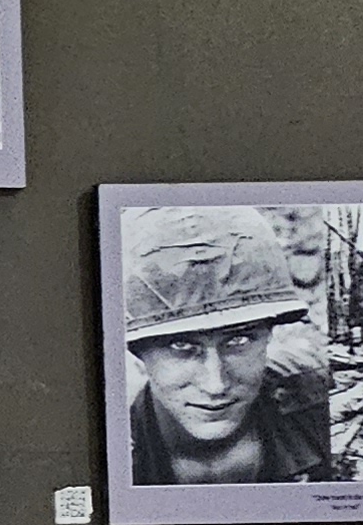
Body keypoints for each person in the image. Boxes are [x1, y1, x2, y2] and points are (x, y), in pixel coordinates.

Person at [124, 207, 338, 486]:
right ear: (137, 351)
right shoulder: (108, 443)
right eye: (181, 345)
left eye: (238, 341)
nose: (216, 385)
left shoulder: (326, 403)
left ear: (269, 334)